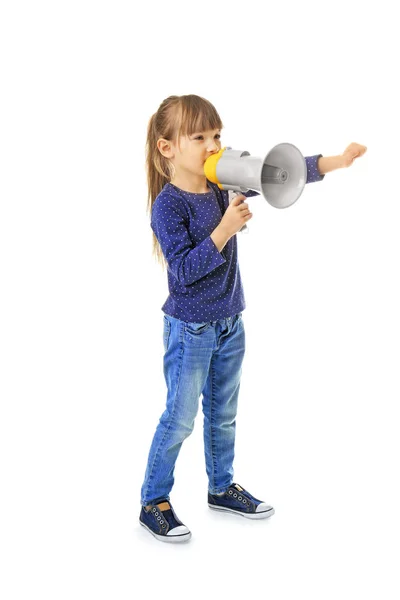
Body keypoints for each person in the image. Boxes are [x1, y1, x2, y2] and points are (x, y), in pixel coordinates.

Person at [139, 94, 367, 543]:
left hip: (229, 322)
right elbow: (182, 274)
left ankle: (221, 487)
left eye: (217, 134)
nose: (213, 144)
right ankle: (153, 501)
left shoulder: (224, 185)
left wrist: (335, 161)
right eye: (199, 136)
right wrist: (224, 230)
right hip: (191, 330)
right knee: (180, 418)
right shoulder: (169, 206)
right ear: (167, 148)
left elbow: (279, 170)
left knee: (223, 414)